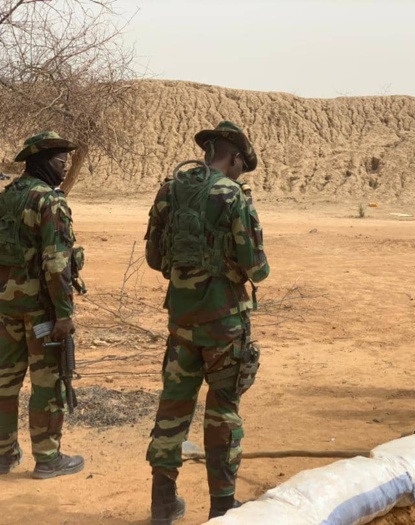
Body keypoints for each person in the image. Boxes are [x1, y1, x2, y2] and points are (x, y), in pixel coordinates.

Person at [145, 121, 270, 523]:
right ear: (233, 156)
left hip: (181, 322)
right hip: (224, 325)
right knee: (223, 412)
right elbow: (257, 266)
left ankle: (163, 503)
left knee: (172, 409)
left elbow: (153, 257)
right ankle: (222, 507)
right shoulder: (233, 196)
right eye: (239, 164)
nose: (238, 172)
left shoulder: (170, 189)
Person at [0, 131, 85, 478]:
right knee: (47, 382)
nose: (65, 166)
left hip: (5, 303)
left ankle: (4, 455)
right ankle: (48, 458)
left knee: (4, 380)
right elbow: (56, 262)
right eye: (60, 160)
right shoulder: (49, 201)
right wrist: (64, 313)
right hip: (40, 308)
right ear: (41, 161)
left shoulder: (8, 196)